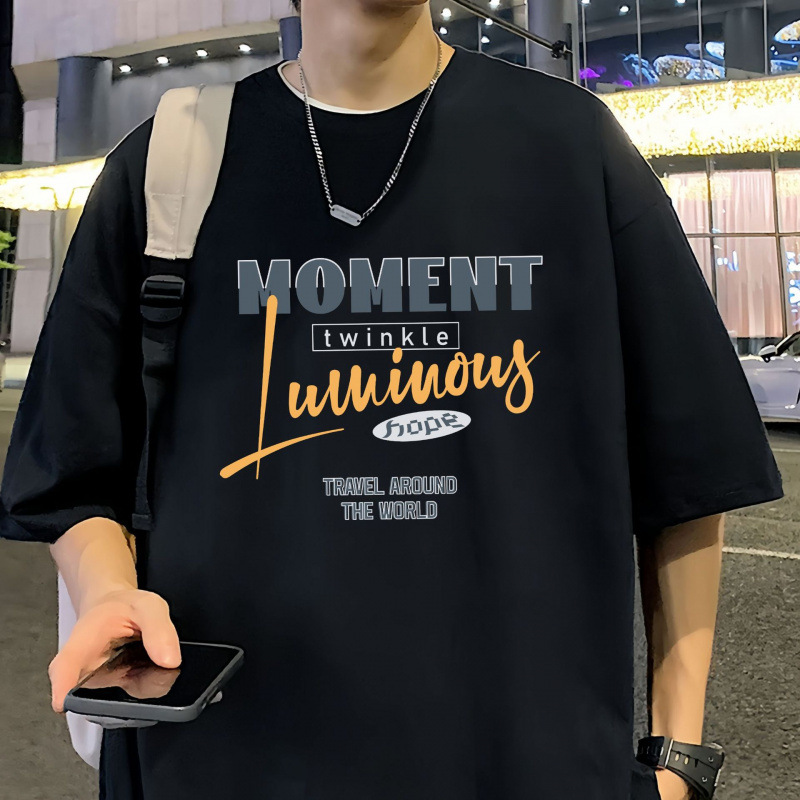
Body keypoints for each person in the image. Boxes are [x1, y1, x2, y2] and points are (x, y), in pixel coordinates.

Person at [0, 1, 783, 799]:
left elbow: (689, 472)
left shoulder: (570, 145)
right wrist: (107, 592)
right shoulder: (169, 164)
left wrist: (678, 761)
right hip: (229, 759)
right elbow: (70, 469)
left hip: (524, 761)